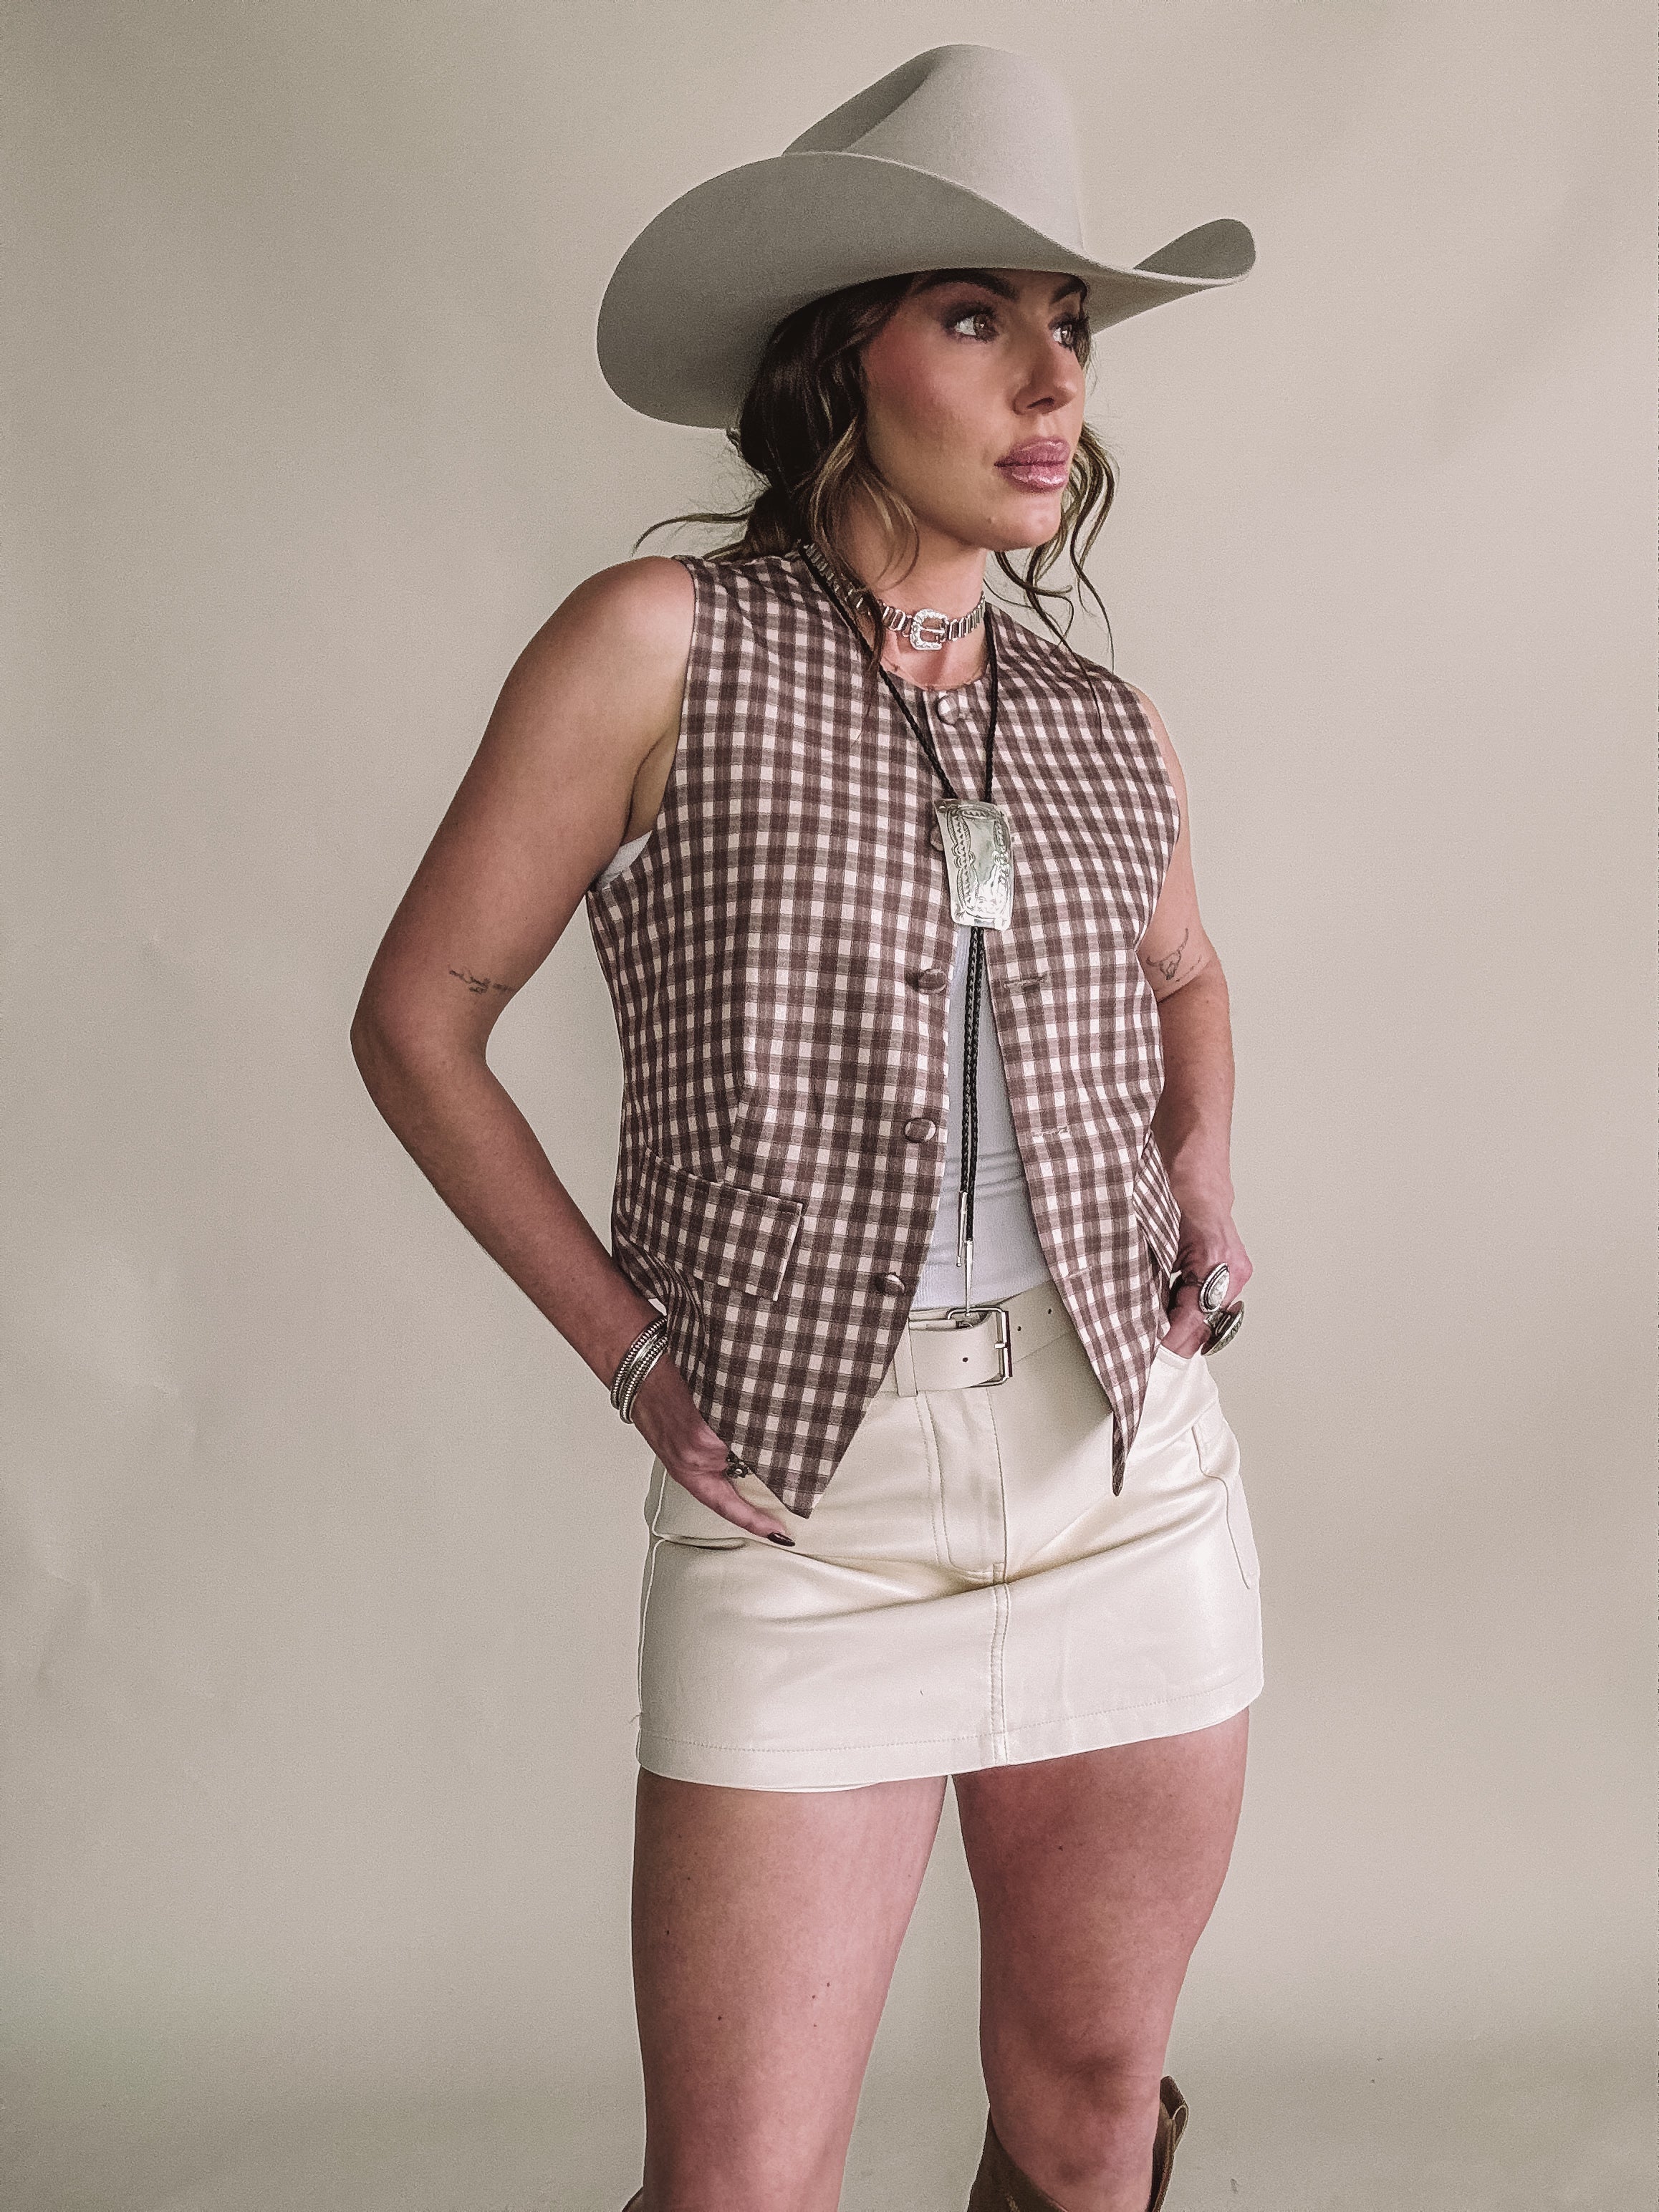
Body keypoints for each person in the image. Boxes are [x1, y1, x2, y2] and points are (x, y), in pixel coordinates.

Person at [352, 42, 1262, 2212]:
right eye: (979, 317)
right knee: (743, 2181)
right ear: (828, 364)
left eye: (1069, 330)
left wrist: (1198, 1169)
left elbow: (1183, 978)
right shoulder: (656, 644)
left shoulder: (1092, 713)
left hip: (1123, 1474)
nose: (1054, 383)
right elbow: (419, 1018)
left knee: (1086, 2107)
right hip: (806, 1516)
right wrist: (632, 1350)